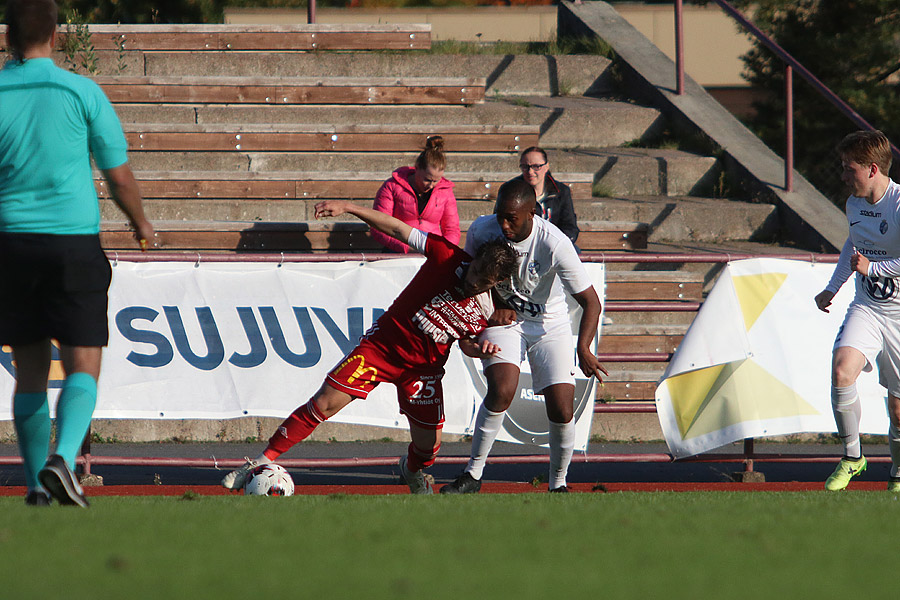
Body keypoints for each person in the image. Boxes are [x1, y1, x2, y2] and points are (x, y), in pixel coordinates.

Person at [222, 199, 517, 494]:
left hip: (422, 371)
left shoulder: (485, 309)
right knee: (323, 403)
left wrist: (477, 350)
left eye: (484, 281)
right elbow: (398, 229)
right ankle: (256, 464)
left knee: (429, 448)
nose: (474, 281)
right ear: (474, 258)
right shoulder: (445, 255)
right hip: (380, 349)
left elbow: (463, 340)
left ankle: (411, 470)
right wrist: (349, 207)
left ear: (498, 282)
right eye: (475, 270)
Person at [0, 0, 155, 507]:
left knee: (29, 371)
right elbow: (119, 176)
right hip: (71, 244)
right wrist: (141, 223)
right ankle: (63, 460)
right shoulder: (81, 91)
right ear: (57, 36)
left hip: (11, 245)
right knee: (83, 363)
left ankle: (31, 487)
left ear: (7, 37)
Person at [440, 179, 606, 494]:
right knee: (502, 390)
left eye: (511, 218)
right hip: (504, 318)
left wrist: (583, 348)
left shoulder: (554, 243)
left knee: (561, 408)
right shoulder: (482, 230)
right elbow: (469, 278)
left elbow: (591, 302)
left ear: (532, 212)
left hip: (549, 323)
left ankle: (558, 485)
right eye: (499, 215)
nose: (503, 224)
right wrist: (483, 318)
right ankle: (472, 476)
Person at [815, 130, 900, 492]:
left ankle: (897, 472)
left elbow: (874, 261)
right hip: (866, 306)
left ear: (872, 169)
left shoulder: (899, 204)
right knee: (841, 370)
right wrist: (833, 287)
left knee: (898, 411)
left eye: (849, 169)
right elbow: (854, 244)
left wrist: (874, 269)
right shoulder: (854, 203)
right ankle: (853, 457)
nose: (843, 176)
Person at [371, 135, 460, 254]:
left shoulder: (446, 192)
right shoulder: (392, 186)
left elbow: (452, 229)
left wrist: (442, 250)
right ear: (416, 168)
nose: (431, 185)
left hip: (431, 253)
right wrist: (406, 248)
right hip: (397, 253)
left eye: (436, 181)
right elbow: (378, 226)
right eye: (427, 180)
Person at [513, 146, 580, 247]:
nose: (530, 172)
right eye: (525, 167)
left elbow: (570, 227)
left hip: (555, 245)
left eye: (536, 166)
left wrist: (557, 244)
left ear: (546, 167)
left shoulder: (561, 192)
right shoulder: (512, 191)